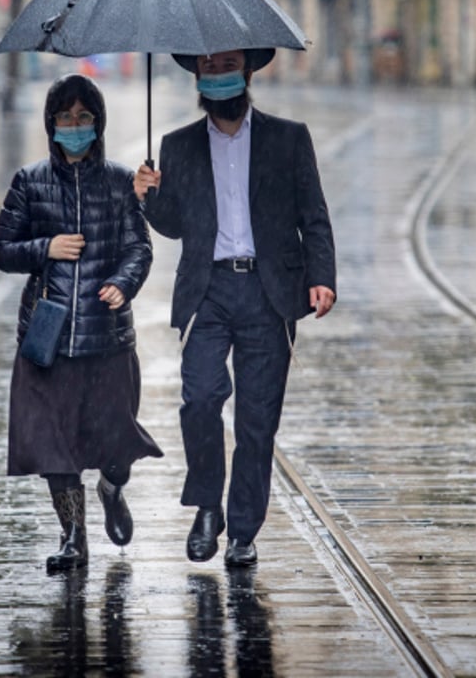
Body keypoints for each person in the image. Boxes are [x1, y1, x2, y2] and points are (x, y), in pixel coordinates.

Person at [133, 49, 336, 568]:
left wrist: (321, 279)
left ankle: (243, 531)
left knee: (256, 420)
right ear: (197, 78)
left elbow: (313, 214)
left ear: (247, 73)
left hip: (270, 293)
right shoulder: (177, 145)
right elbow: (175, 225)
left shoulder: (288, 138)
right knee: (200, 399)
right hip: (208, 290)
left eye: (228, 67)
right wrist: (149, 195)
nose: (219, 77)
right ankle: (207, 507)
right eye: (210, 68)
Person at [0, 73, 163, 572]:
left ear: (98, 123)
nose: (74, 126)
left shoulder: (117, 181)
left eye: (83, 118)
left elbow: (140, 246)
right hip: (47, 339)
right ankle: (73, 537)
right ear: (51, 124)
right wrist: (45, 248)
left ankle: (112, 486)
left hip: (106, 336)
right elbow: (1, 249)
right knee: (54, 446)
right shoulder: (29, 181)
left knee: (116, 440)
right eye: (65, 118)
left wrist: (123, 283)